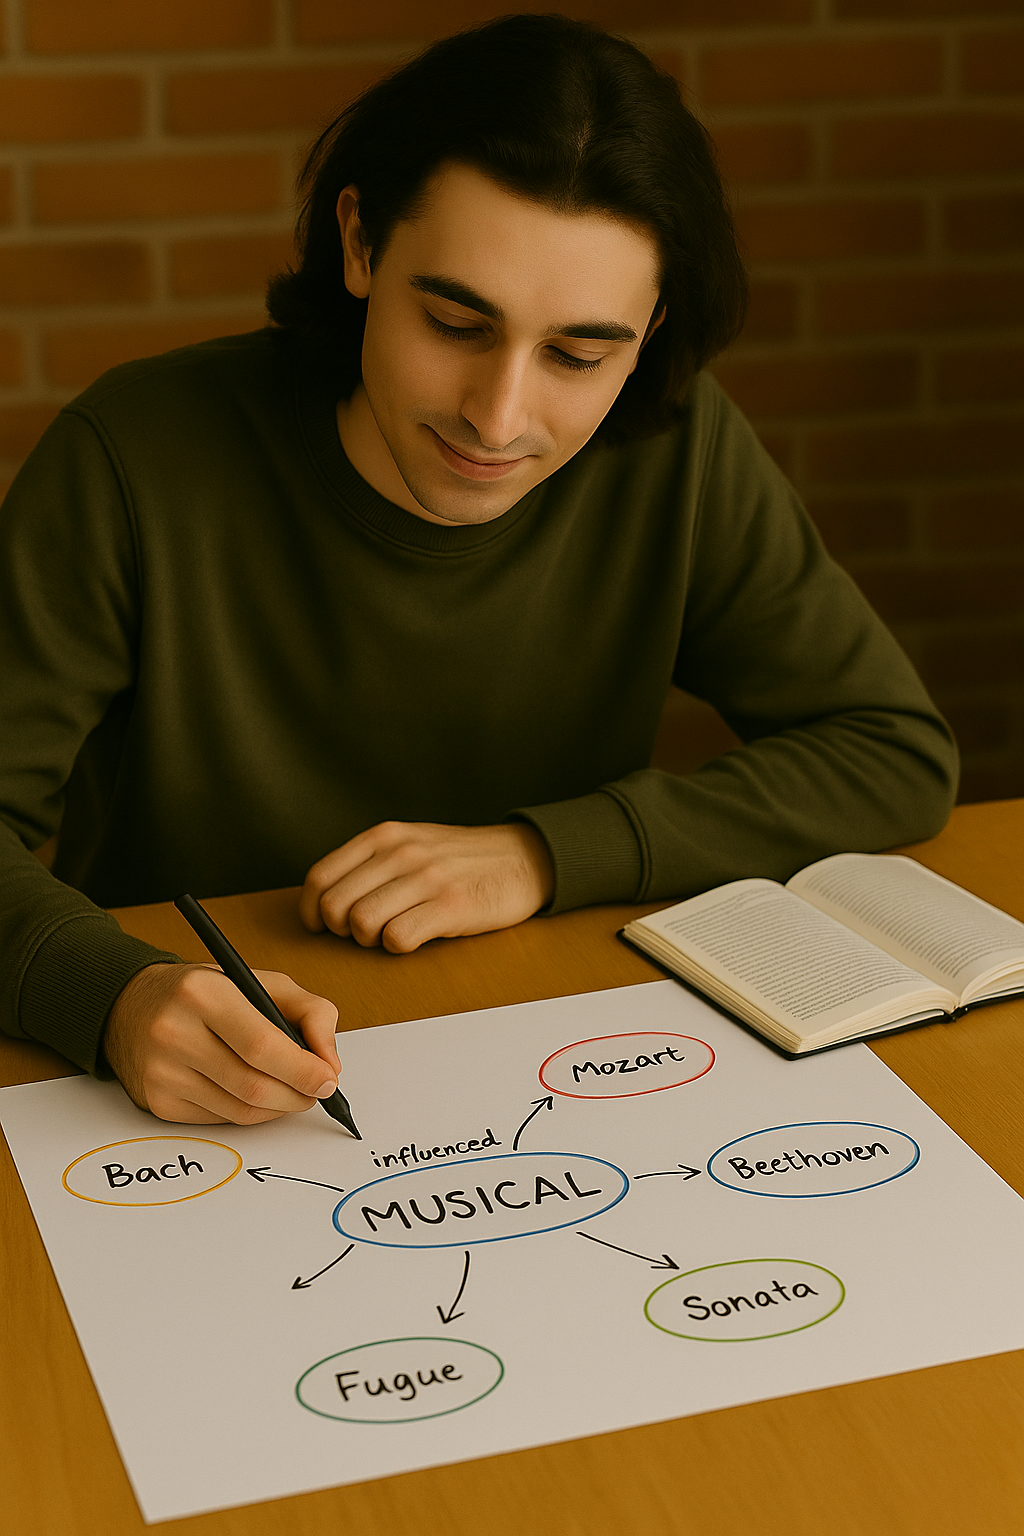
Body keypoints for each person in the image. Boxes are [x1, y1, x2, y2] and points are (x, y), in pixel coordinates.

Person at [0, 15, 957, 1127]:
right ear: (359, 244)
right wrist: (108, 991)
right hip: (183, 1100)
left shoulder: (673, 453)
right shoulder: (134, 454)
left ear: (649, 330)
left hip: (552, 1065)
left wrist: (542, 854)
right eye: (455, 321)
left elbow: (889, 751)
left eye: (578, 354)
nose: (497, 418)